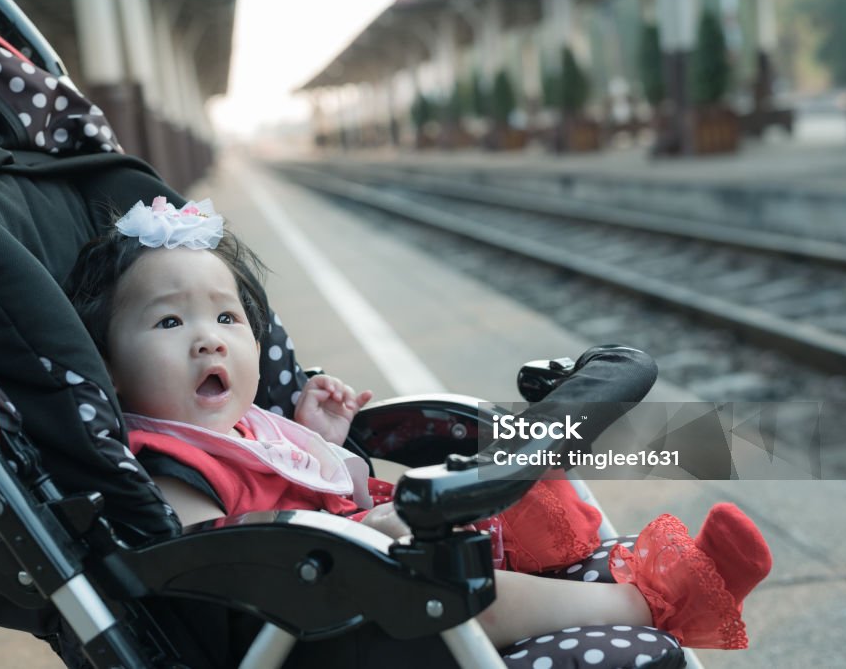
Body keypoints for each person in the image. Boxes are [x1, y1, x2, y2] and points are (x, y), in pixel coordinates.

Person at [64, 196, 772, 651]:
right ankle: (655, 597)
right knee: (467, 592)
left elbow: (310, 480)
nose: (209, 338)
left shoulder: (249, 421)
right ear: (110, 368)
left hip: (368, 554)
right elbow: (213, 558)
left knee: (518, 478)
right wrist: (360, 534)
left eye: (227, 317)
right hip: (323, 615)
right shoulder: (166, 460)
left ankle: (567, 548)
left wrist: (321, 437)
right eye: (168, 320)